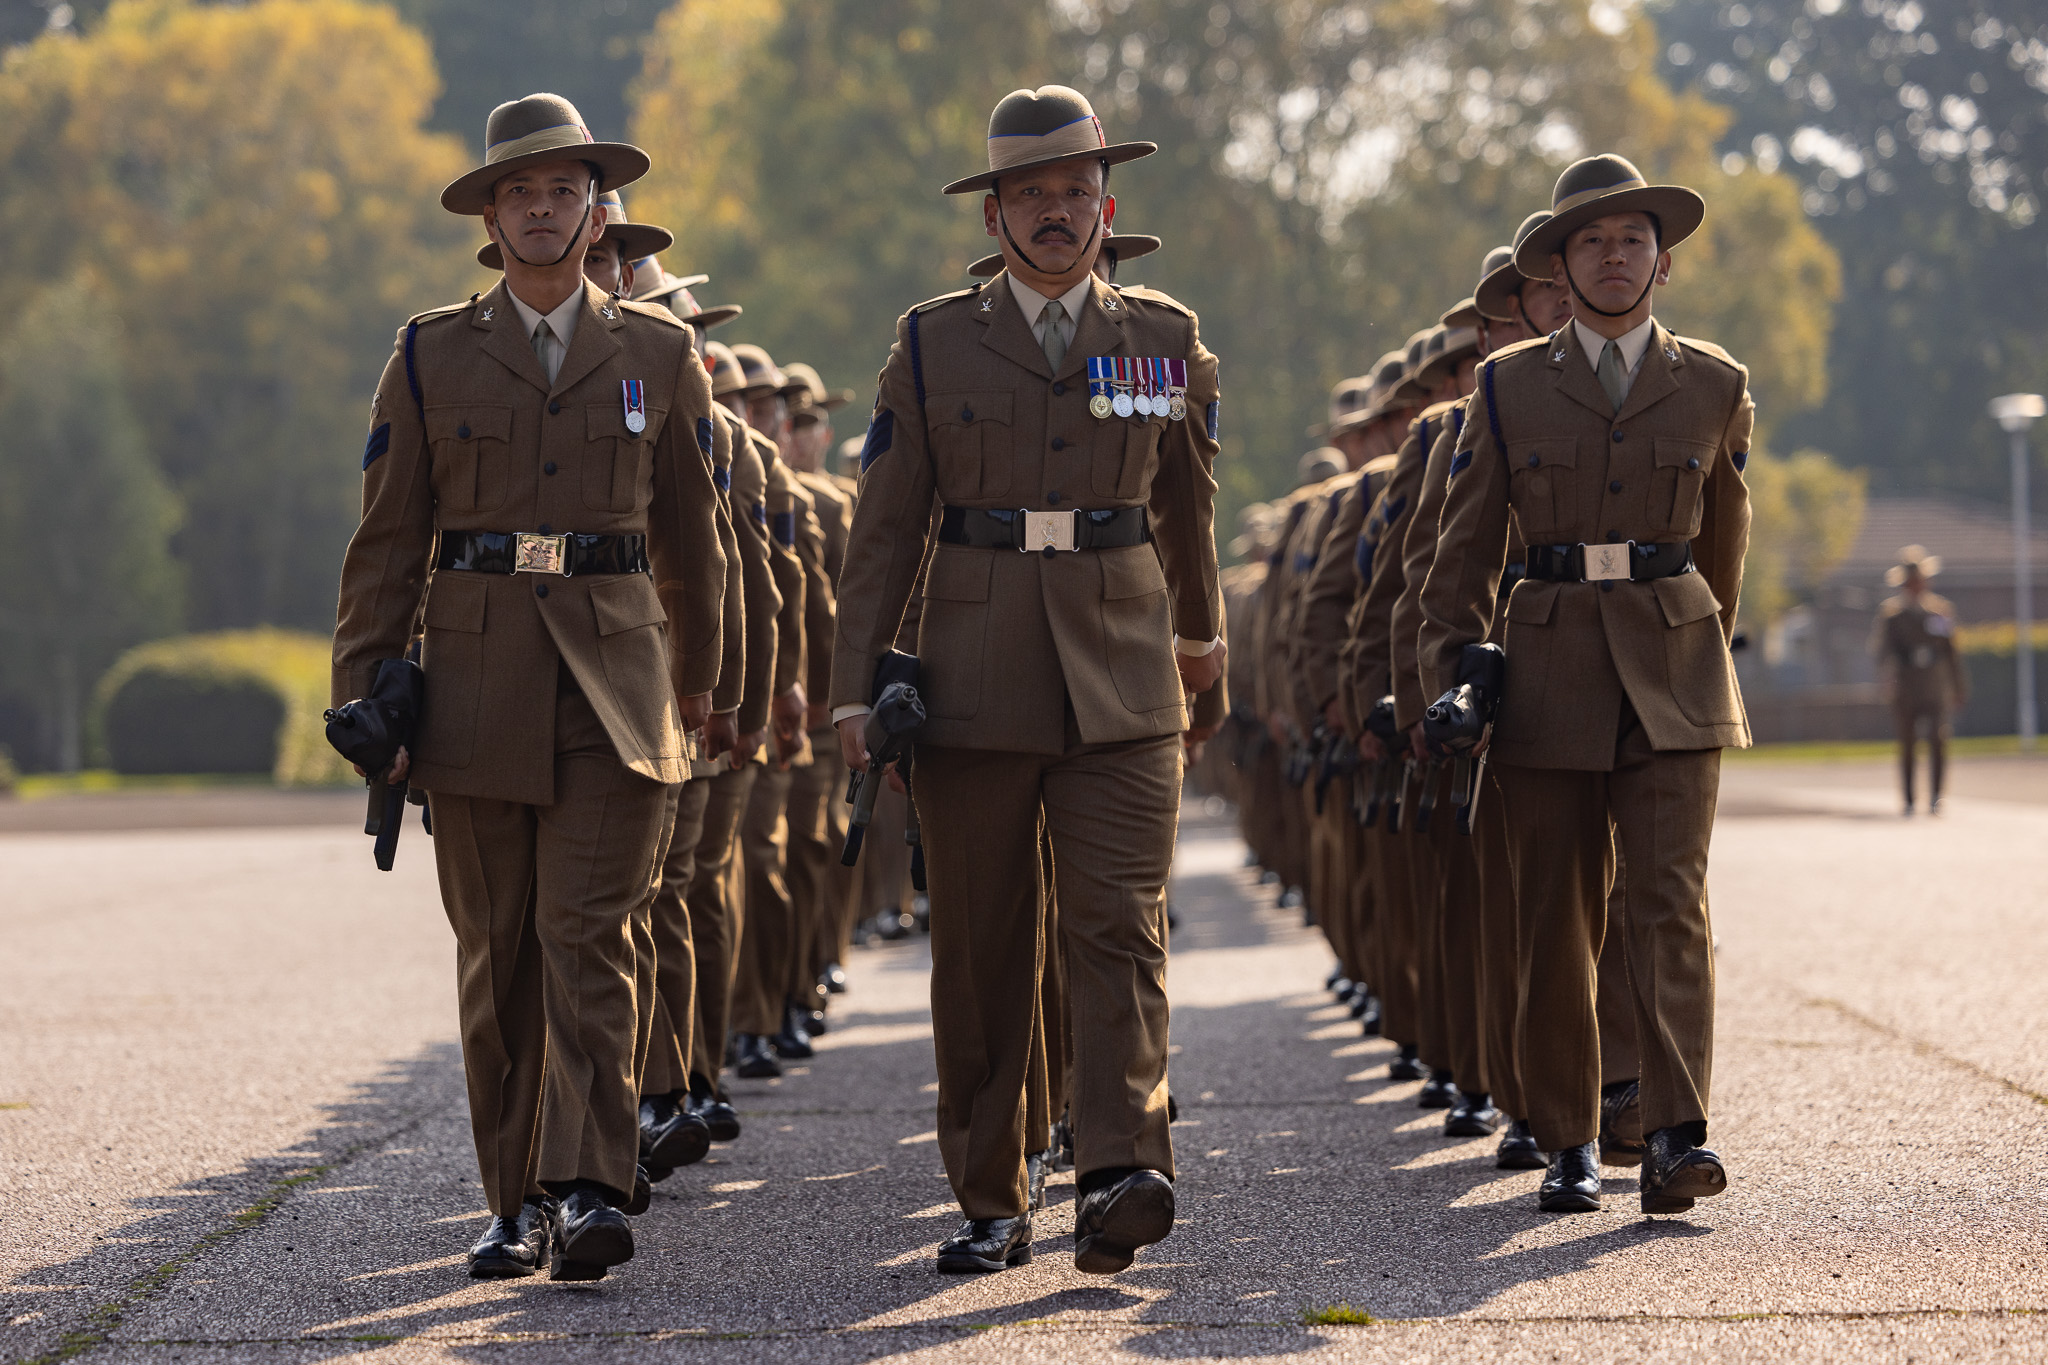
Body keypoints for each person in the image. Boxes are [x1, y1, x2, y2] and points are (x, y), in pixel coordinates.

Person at [331, 93, 727, 1280]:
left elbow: (694, 537)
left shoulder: (660, 350)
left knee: (586, 935)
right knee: (498, 954)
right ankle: (512, 1201)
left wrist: (707, 687)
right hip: (475, 680)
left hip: (617, 679)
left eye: (564, 190)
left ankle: (592, 1186)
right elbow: (388, 543)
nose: (543, 209)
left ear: (596, 209)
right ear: (489, 218)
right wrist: (366, 699)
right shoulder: (429, 352)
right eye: (520, 192)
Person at [830, 85, 1223, 1276]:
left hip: (1122, 664)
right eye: (1030, 195)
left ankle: (1117, 1169)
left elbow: (1186, 505)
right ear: (994, 214)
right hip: (973, 664)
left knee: (1120, 928)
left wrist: (1202, 641)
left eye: (1073, 191)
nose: (1056, 213)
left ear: (1105, 202)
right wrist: (855, 686)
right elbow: (885, 526)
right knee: (986, 946)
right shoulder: (931, 342)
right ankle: (992, 1195)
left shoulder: (1162, 338)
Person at [1417, 153, 1753, 1216]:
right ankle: (1564, 1134)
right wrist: (1456, 670)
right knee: (1553, 914)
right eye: (1591, 244)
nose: (1614, 258)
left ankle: (1669, 1133)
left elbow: (1724, 545)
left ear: (1662, 264)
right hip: (1547, 666)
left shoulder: (1714, 382)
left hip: (1673, 667)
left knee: (1666, 904)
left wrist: (1698, 653)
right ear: (1557, 268)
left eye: (1632, 241)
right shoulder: (1508, 386)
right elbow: (1458, 553)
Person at [1872, 545, 1968, 815]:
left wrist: (1958, 687)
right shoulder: (1892, 615)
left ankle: (1937, 795)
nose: (1915, 586)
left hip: (1934, 686)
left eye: (1918, 581)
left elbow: (1951, 652)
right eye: (1910, 582)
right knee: (1908, 742)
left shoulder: (1939, 612)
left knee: (1938, 739)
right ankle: (1910, 799)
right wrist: (1887, 677)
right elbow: (1884, 651)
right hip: (1906, 686)